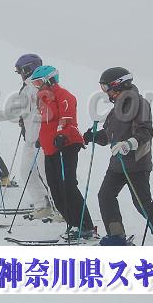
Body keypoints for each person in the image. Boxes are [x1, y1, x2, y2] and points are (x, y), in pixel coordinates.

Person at [83, 67, 153, 246]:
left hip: (136, 164)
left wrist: (129, 144)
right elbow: (109, 136)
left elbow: (146, 131)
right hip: (117, 164)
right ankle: (116, 236)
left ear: (118, 85)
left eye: (106, 87)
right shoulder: (115, 109)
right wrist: (92, 136)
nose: (105, 92)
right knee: (105, 196)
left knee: (142, 203)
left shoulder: (140, 103)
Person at [0, 54, 55, 217]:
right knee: (26, 172)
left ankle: (59, 207)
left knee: (47, 175)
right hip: (30, 140)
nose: (21, 74)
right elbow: (17, 111)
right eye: (19, 71)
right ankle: (42, 204)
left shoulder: (39, 87)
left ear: (30, 68)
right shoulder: (27, 88)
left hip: (43, 140)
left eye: (22, 70)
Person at [30, 65, 96, 240]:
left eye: (39, 82)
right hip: (51, 148)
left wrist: (62, 134)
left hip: (66, 144)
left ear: (50, 80)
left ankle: (85, 226)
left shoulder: (64, 95)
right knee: (55, 188)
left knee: (68, 186)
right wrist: (41, 138)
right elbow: (46, 124)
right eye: (35, 83)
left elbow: (68, 119)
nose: (37, 86)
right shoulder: (43, 99)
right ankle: (72, 223)